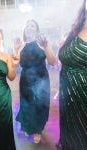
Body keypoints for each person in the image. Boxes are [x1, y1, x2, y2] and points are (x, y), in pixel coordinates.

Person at [15, 19, 56, 143]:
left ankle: (38, 130)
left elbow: (52, 62)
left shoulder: (42, 42)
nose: (29, 27)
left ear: (37, 29)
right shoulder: (21, 44)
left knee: (40, 105)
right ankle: (30, 127)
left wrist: (46, 46)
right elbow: (16, 65)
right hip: (26, 79)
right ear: (24, 29)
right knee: (27, 106)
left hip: (41, 79)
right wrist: (16, 50)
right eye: (27, 25)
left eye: (33, 26)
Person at [58, 0, 87, 149]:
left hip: (84, 94)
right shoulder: (75, 29)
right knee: (71, 136)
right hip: (68, 97)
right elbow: (61, 58)